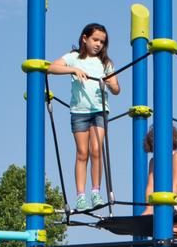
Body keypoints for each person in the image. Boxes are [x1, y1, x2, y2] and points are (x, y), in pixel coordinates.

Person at [43, 23, 120, 211]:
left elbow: (117, 89)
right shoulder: (73, 58)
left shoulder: (106, 63)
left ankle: (96, 191)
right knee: (82, 153)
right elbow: (50, 68)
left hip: (99, 110)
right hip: (79, 111)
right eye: (95, 40)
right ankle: (81, 196)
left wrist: (111, 83)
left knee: (96, 150)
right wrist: (73, 69)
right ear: (85, 38)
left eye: (102, 41)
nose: (98, 44)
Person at [142, 126, 177, 215]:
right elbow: (150, 187)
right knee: (150, 226)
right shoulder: (153, 162)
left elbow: (176, 185)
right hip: (165, 206)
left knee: (166, 227)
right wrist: (149, 208)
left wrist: (165, 207)